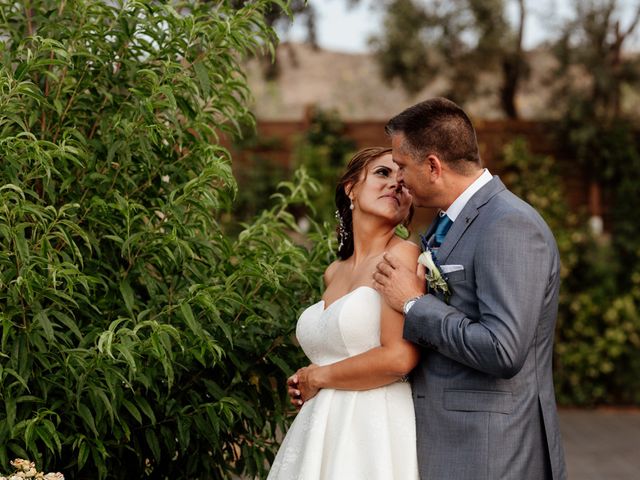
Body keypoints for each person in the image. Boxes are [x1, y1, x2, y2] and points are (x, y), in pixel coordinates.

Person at [373, 97, 567, 480]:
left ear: (432, 166)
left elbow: (503, 349)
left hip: (490, 450)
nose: (398, 179)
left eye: (401, 166)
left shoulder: (509, 225)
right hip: (450, 440)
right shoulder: (446, 222)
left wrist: (414, 304)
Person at [267, 147, 423, 480]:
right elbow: (342, 347)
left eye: (404, 180)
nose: (396, 184)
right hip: (320, 427)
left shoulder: (403, 256)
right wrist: (305, 375)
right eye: (383, 173)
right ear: (351, 187)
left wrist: (318, 377)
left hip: (371, 425)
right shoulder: (333, 271)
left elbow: (398, 358)